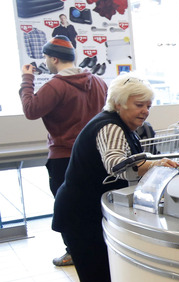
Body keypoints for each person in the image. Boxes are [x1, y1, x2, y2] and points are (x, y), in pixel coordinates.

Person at [51, 74, 179, 282]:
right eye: (139, 105)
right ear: (119, 104)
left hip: (87, 213)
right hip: (80, 216)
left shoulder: (119, 124)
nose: (145, 111)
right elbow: (117, 166)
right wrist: (155, 164)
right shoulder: (109, 126)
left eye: (148, 105)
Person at [19, 36, 108, 267]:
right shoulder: (99, 82)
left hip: (64, 157)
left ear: (54, 58)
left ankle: (74, 252)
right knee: (93, 204)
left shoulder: (55, 85)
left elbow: (30, 110)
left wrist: (27, 79)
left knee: (66, 207)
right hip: (95, 156)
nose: (46, 61)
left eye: (47, 57)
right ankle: (102, 246)